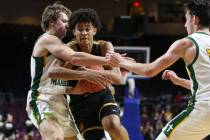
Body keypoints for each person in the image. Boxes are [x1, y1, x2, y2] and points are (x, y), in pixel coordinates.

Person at [107, 0, 210, 139]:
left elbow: (149, 70)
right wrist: (179, 81)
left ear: (195, 19)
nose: (185, 25)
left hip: (203, 110)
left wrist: (121, 62)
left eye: (186, 20)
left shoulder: (187, 43)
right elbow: (205, 86)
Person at [26, 2, 113, 140]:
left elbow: (64, 74)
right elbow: (74, 58)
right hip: (42, 98)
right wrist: (108, 60)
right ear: (52, 22)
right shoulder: (47, 39)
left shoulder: (61, 45)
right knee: (55, 137)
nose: (68, 24)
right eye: (64, 20)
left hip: (60, 99)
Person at [64, 8, 129, 140]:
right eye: (80, 29)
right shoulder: (69, 49)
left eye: (87, 29)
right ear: (73, 32)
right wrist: (75, 82)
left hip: (101, 95)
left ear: (94, 30)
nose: (84, 33)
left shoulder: (104, 46)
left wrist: (87, 72)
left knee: (112, 125)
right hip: (80, 102)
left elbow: (117, 77)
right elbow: (57, 77)